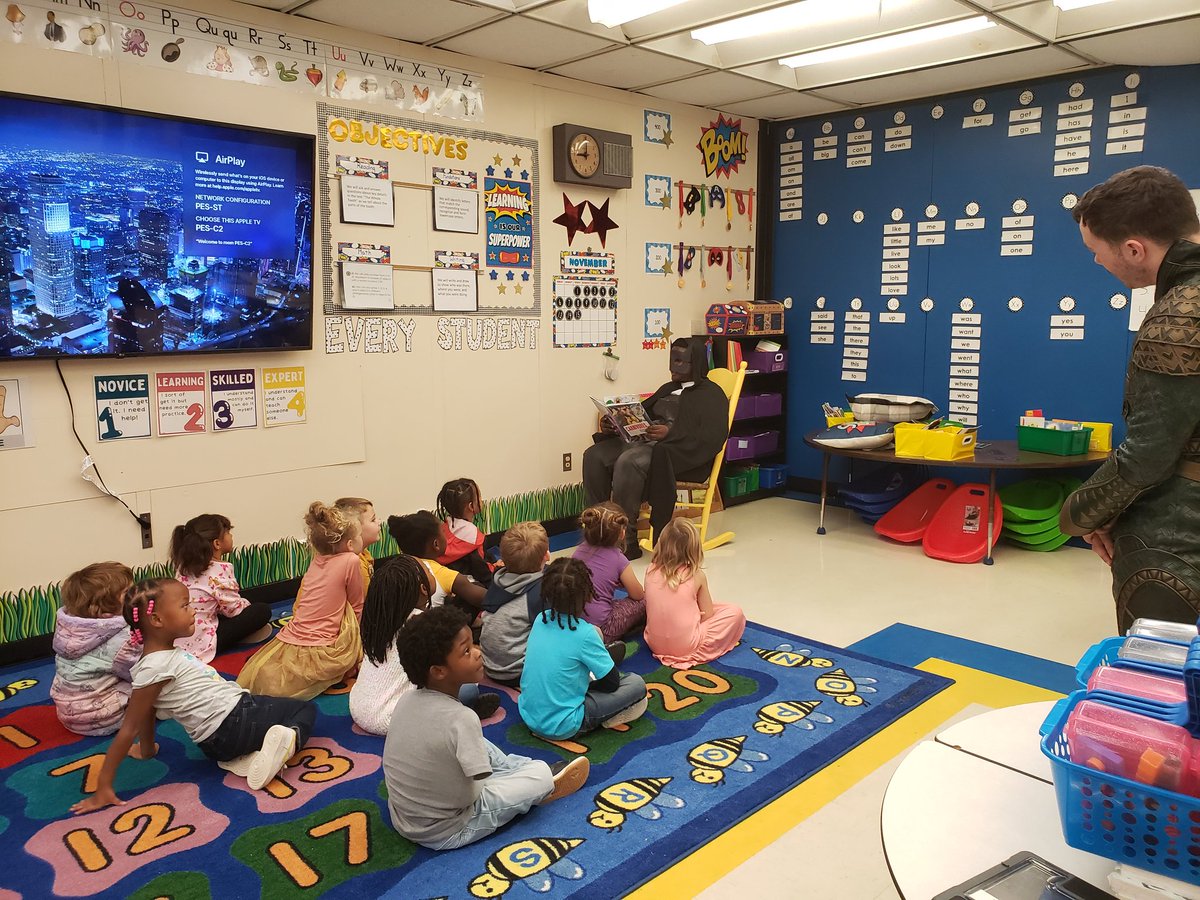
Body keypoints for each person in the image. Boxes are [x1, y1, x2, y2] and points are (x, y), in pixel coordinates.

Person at [1060, 165, 1200, 631]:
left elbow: (1148, 456)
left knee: (1162, 687)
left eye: (1096, 252)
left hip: (1177, 545)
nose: (1098, 263)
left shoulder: (1179, 316)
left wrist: (1081, 514)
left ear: (1134, 249)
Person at [69, 578, 316, 814]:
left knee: (265, 707)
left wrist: (147, 750)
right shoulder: (155, 668)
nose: (193, 611)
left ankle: (246, 758)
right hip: (236, 719)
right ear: (156, 619)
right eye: (185, 606)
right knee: (304, 710)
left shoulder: (154, 664)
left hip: (216, 746)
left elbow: (147, 713)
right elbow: (129, 728)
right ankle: (283, 743)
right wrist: (103, 787)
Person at [381, 605, 590, 850]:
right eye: (466, 651)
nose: (478, 653)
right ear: (438, 671)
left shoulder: (407, 700)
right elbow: (478, 783)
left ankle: (517, 771)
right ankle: (536, 776)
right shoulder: (461, 718)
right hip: (450, 827)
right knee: (540, 776)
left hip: (404, 816)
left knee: (473, 743)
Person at [583, 336, 729, 558]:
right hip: (645, 443)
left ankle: (626, 539)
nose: (673, 367)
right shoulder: (668, 388)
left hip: (677, 454)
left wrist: (671, 434)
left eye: (681, 362)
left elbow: (711, 437)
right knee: (594, 456)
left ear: (697, 363)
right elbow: (642, 416)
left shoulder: (712, 395)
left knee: (629, 461)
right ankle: (599, 529)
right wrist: (614, 423)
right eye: (672, 360)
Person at [349, 555, 499, 734]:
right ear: (423, 589)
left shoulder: (379, 621)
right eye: (428, 570)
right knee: (467, 688)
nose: (431, 569)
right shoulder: (421, 624)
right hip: (396, 719)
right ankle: (458, 714)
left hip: (359, 708)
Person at [237, 502, 364, 700]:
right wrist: (356, 646)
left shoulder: (317, 561)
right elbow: (357, 605)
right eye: (359, 536)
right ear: (349, 544)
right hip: (324, 645)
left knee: (270, 675)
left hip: (291, 638)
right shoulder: (351, 560)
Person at [518, 558, 648, 741]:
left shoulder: (541, 619)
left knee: (584, 651)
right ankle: (605, 702)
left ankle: (594, 666)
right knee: (636, 683)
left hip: (529, 714)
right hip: (564, 724)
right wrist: (593, 683)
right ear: (587, 595)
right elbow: (612, 684)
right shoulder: (584, 634)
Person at [50, 562, 141, 735]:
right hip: (104, 718)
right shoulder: (123, 639)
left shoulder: (69, 628)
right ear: (103, 607)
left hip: (68, 714)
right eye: (127, 593)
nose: (136, 594)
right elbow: (140, 673)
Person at [169, 514, 272, 663]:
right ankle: (241, 636)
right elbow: (234, 610)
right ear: (217, 543)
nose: (231, 536)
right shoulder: (219, 569)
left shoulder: (183, 567)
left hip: (177, 634)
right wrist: (248, 607)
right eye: (228, 533)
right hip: (201, 640)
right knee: (262, 610)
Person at [643, 518, 746, 669]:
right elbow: (708, 614)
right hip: (687, 647)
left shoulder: (650, 570)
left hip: (654, 644)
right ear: (694, 548)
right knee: (734, 612)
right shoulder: (696, 575)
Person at [480, 521, 550, 687]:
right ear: (546, 556)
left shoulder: (498, 578)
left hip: (490, 666)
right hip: (518, 672)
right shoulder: (541, 591)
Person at [573, 502, 646, 644]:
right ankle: (607, 646)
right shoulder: (618, 559)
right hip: (602, 629)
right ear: (622, 533)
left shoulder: (578, 550)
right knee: (646, 599)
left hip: (574, 625)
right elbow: (638, 595)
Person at [387, 511, 486, 610]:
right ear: (436, 544)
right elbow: (487, 599)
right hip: (431, 624)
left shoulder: (397, 569)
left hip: (405, 623)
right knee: (474, 586)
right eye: (443, 532)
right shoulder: (437, 572)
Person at [435, 478, 494, 586]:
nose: (481, 500)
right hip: (468, 586)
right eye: (479, 497)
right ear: (471, 506)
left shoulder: (444, 528)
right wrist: (495, 568)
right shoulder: (472, 538)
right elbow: (483, 574)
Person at [335, 497, 382, 594]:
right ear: (356, 529)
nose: (379, 521)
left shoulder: (363, 552)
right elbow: (366, 603)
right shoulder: (357, 565)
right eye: (373, 520)